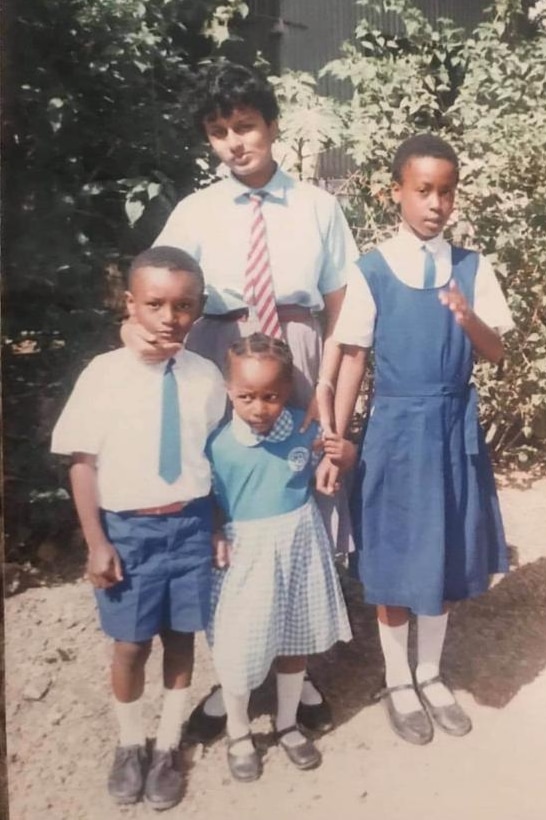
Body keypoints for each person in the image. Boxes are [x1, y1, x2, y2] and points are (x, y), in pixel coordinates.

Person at [123, 60, 358, 736]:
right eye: (219, 131)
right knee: (228, 504)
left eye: (245, 126)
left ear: (272, 125)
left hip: (299, 354)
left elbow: (344, 309)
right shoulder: (196, 210)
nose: (234, 142)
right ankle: (233, 666)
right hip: (219, 359)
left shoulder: (318, 207)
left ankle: (295, 659)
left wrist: (336, 401)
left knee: (297, 502)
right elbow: (152, 291)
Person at [323, 133, 513, 744]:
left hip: (453, 427)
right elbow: (353, 358)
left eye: (446, 191)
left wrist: (466, 315)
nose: (435, 203)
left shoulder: (472, 267)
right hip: (398, 432)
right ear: (396, 192)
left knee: (446, 550)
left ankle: (431, 675)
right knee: (397, 554)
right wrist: (340, 439)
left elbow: (497, 351)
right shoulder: (373, 268)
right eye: (423, 190)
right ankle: (398, 680)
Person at [51, 247, 226, 808]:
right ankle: (131, 743)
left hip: (191, 525)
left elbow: (215, 458)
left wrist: (218, 526)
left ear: (198, 311)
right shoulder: (104, 375)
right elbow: (84, 463)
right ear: (131, 305)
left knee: (181, 640)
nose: (169, 317)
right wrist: (97, 542)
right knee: (130, 645)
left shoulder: (206, 376)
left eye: (183, 306)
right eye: (155, 304)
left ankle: (169, 744)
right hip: (128, 531)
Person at [206, 333, 353, 781]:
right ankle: (238, 730)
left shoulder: (305, 429)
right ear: (229, 391)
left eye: (270, 396)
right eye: (246, 396)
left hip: (298, 547)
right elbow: (207, 498)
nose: (258, 407)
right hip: (246, 556)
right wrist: (213, 530)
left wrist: (343, 454)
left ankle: (288, 722)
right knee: (239, 646)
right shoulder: (218, 444)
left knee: (296, 641)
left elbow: (340, 457)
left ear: (287, 391)